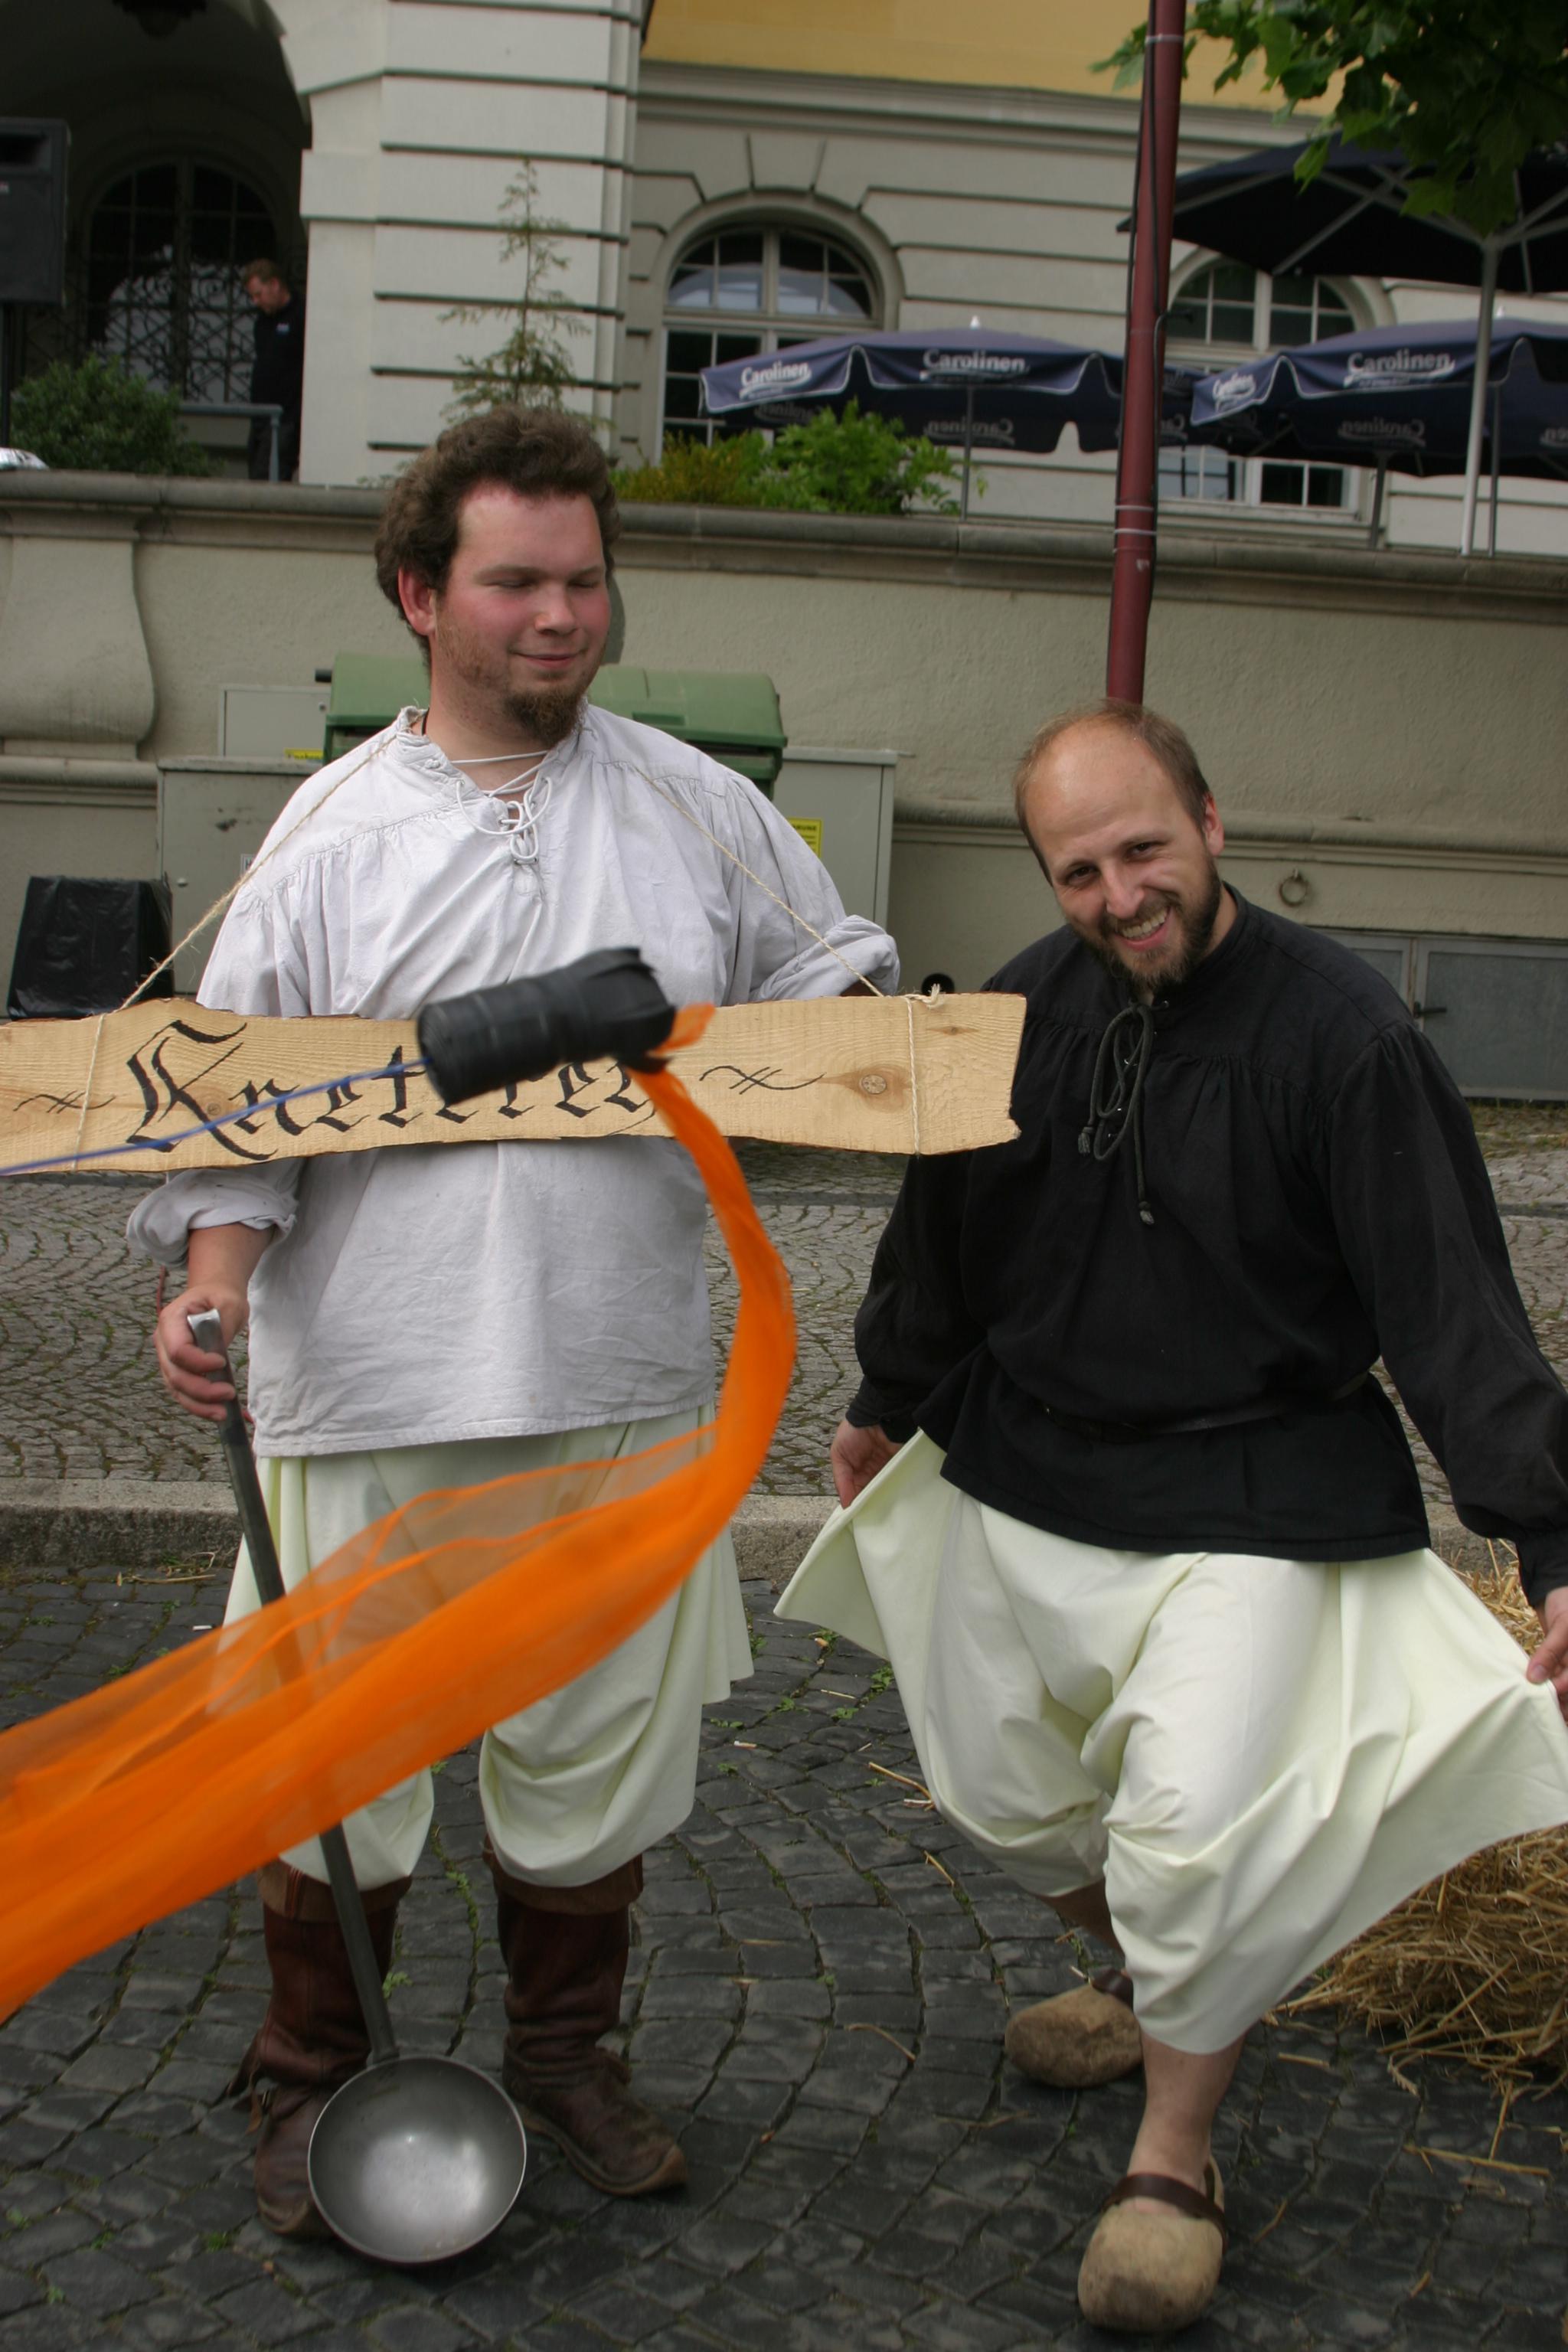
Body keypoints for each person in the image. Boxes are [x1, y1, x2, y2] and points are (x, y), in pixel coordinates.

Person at [130, 404, 897, 2236]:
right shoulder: (331, 832)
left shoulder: (697, 804)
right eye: (515, 583)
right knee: (337, 1758)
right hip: (368, 1380)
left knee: (596, 1750)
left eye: (583, 581)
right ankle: (314, 2068)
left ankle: (564, 2058)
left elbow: (834, 985)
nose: (559, 615)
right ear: (421, 595)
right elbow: (240, 1108)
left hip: (617, 1376)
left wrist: (843, 1053)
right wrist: (211, 1289)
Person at [779, 698, 1568, 2336]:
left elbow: (1449, 1307)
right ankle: (1154, 1977)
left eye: (1142, 849)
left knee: (1194, 1830)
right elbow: (937, 1245)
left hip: (1253, 1494)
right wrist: (884, 1399)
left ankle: (1171, 2157)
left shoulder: (1347, 1041)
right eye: (1077, 870)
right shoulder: (1012, 1012)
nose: (1118, 894)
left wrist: (1551, 1538)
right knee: (1001, 1792)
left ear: (1208, 822)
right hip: (1024, 1467)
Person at [241, 259, 304, 481]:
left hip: (285, 418)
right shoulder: (263, 321)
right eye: (252, 296)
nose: (255, 301)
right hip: (260, 416)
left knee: (268, 477)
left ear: (275, 285)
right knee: (255, 474)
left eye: (259, 294)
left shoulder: (301, 315)